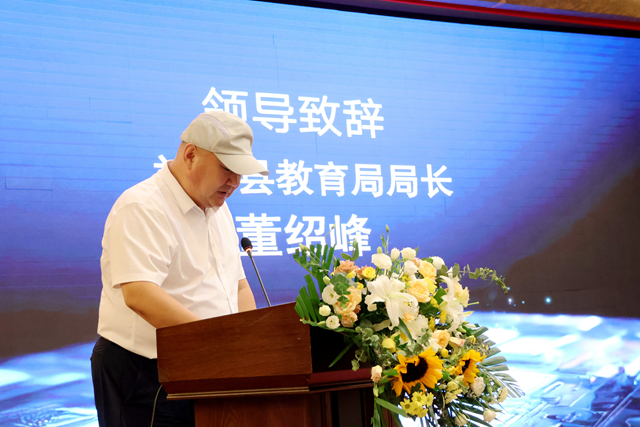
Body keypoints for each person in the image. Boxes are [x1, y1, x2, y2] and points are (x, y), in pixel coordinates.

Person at [90, 111, 269, 427]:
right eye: (227, 169)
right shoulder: (142, 206)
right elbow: (140, 295)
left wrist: (246, 345)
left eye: (241, 173)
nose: (235, 182)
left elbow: (238, 286)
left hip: (208, 367)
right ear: (190, 155)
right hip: (146, 374)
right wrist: (218, 342)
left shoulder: (218, 210)